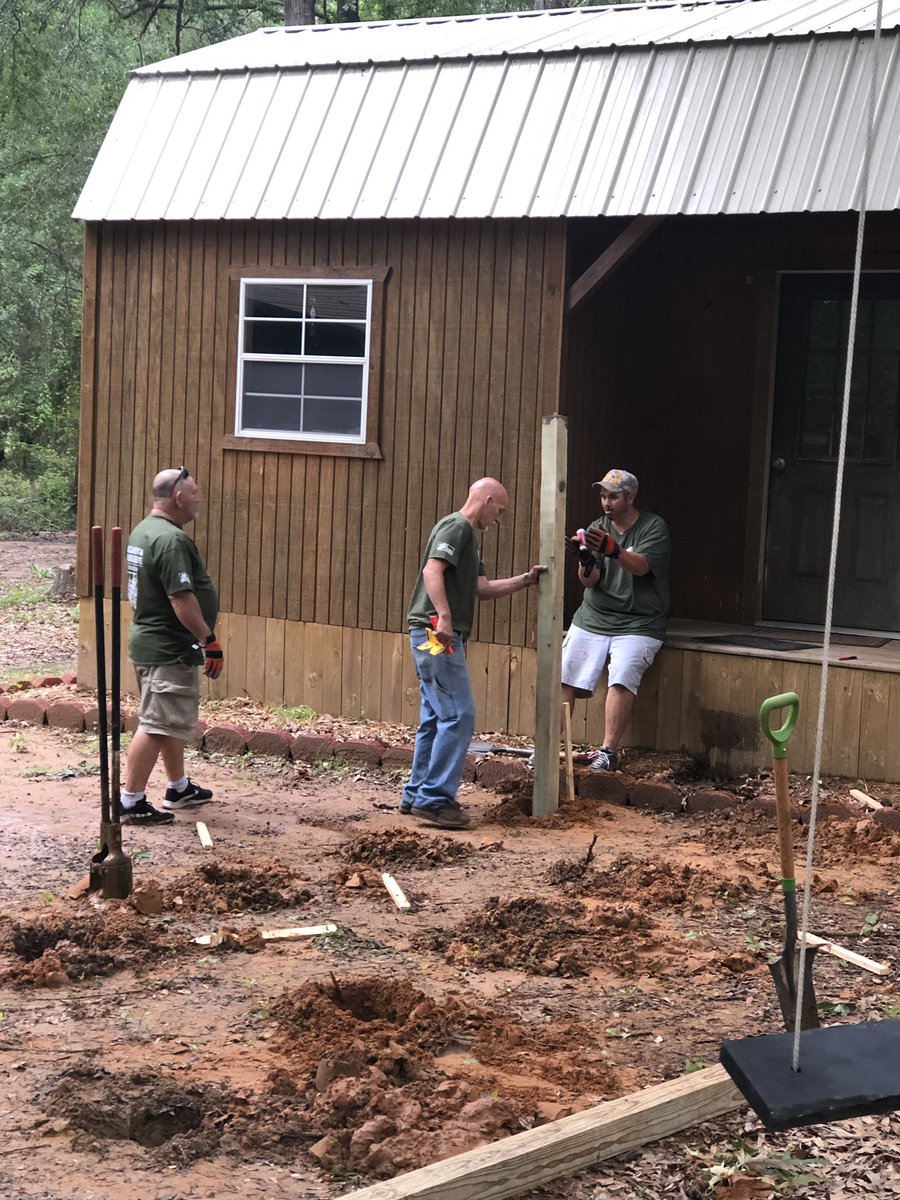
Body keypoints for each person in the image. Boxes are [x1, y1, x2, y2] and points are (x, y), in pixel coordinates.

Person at [403, 478, 547, 830]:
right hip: (436, 634)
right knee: (459, 715)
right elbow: (432, 570)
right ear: (487, 500)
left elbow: (481, 588)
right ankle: (435, 800)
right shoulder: (458, 527)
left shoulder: (467, 537)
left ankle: (417, 794)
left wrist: (526, 580)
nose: (498, 518)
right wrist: (446, 617)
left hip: (432, 634)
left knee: (436, 718)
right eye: (499, 510)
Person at [118, 467, 224, 826]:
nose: (197, 500)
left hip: (151, 641)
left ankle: (178, 788)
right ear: (178, 497)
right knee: (157, 724)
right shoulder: (170, 540)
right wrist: (208, 640)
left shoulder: (144, 530)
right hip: (168, 647)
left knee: (167, 721)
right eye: (194, 493)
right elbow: (181, 597)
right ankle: (130, 802)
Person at [562, 468, 670, 772]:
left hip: (640, 622)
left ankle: (608, 751)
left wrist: (613, 550)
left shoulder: (653, 527)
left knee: (622, 675)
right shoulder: (598, 526)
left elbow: (641, 566)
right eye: (603, 495)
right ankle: (547, 744)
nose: (606, 502)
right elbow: (589, 582)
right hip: (594, 617)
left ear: (631, 497)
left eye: (613, 496)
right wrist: (585, 561)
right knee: (565, 671)